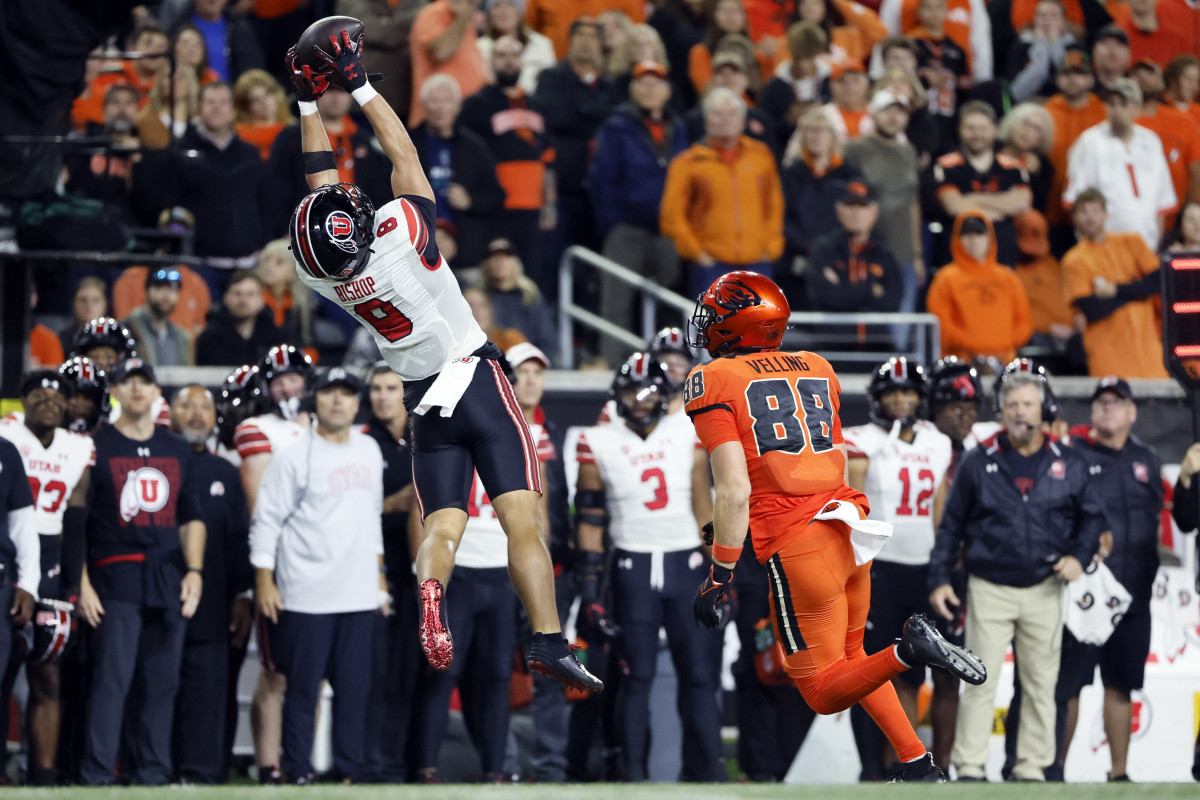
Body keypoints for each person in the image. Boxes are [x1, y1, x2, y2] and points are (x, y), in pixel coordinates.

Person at [283, 28, 599, 692]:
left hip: (423, 401)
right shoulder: (402, 237)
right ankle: (546, 639)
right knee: (522, 517)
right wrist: (358, 82)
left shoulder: (322, 276)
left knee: (445, 523)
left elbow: (318, 191)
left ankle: (433, 588)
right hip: (476, 378)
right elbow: (402, 153)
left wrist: (308, 102)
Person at [683, 270, 986, 784]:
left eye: (715, 315)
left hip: (798, 542)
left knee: (821, 690)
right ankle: (918, 763)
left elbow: (733, 489)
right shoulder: (818, 366)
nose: (707, 324)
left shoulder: (712, 380)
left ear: (739, 324)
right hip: (849, 529)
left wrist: (720, 574)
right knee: (854, 660)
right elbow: (834, 459)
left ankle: (910, 650)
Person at [927, 368, 1105, 782]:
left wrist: (1079, 557)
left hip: (1047, 586)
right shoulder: (977, 461)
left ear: (1044, 410)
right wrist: (938, 579)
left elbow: (1092, 519)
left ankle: (1032, 768)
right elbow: (950, 526)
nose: (1020, 412)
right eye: (1012, 405)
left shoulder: (1070, 462)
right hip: (989, 587)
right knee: (977, 681)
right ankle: (969, 767)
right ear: (1001, 412)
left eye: (1028, 404)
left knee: (1042, 685)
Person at [575, 354, 725, 782]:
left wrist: (719, 570)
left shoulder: (687, 430)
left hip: (686, 561)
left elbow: (703, 505)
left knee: (698, 675)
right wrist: (589, 589)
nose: (639, 401)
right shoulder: (598, 439)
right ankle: (633, 774)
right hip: (632, 565)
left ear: (664, 394)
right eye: (630, 391)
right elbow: (590, 519)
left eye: (648, 391)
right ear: (616, 396)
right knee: (636, 676)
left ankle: (711, 772)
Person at [74, 358, 206, 785]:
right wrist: (82, 583)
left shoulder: (176, 448)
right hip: (115, 574)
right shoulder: (96, 445)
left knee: (162, 683)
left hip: (168, 576)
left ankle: (151, 774)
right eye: (127, 381)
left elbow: (191, 515)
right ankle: (96, 775)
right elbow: (75, 519)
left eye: (144, 381)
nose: (136, 388)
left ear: (155, 393)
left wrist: (195, 571)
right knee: (112, 681)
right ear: (115, 390)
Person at [250, 367, 385, 784]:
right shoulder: (291, 456)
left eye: (347, 394)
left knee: (354, 694)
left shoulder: (369, 451)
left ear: (357, 403)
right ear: (315, 400)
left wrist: (379, 577)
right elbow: (265, 521)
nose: (338, 401)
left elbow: (372, 516)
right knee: (303, 692)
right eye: (330, 394)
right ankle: (297, 771)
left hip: (360, 595)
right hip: (306, 595)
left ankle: (348, 772)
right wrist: (264, 580)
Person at [845, 359, 953, 779]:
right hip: (878, 570)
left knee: (921, 676)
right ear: (876, 399)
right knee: (876, 672)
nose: (901, 401)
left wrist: (944, 565)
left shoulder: (936, 440)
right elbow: (852, 507)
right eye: (892, 393)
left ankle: (917, 765)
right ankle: (876, 766)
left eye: (908, 392)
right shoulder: (861, 441)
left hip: (924, 570)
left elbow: (939, 512)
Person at [1051, 376, 1162, 782]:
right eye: (1101, 402)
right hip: (1086, 595)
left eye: (1118, 402)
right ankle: (1055, 770)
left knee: (1122, 685)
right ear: (1092, 412)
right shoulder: (1073, 453)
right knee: (1070, 687)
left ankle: (1119, 773)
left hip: (1134, 596)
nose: (1108, 407)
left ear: (1133, 412)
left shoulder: (1147, 459)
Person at [0, 372, 91, 786]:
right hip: (10, 552)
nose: (49, 400)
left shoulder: (79, 446)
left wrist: (74, 581)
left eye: (58, 395)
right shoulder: (5, 435)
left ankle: (43, 773)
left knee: (48, 672)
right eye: (39, 393)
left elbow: (76, 517)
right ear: (22, 399)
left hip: (50, 556)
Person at [233, 345, 312, 784]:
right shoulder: (256, 428)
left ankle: (304, 763)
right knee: (275, 671)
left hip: (328, 563)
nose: (288, 387)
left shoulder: (327, 424)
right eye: (279, 380)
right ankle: (269, 767)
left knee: (313, 674)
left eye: (294, 377)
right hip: (284, 562)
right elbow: (260, 505)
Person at [168, 384, 251, 784]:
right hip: (156, 603)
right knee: (158, 691)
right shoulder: (155, 461)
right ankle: (153, 770)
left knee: (208, 696)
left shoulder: (226, 472)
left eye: (205, 406)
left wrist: (242, 595)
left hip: (215, 606)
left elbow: (239, 539)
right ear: (169, 413)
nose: (197, 413)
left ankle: (202, 776)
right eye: (188, 405)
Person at [588, 59, 689, 366]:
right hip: (627, 228)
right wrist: (613, 222)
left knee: (668, 299)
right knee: (617, 301)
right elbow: (600, 178)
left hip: (669, 230)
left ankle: (667, 365)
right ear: (632, 89)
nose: (649, 89)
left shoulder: (679, 127)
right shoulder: (616, 126)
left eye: (655, 83)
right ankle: (618, 367)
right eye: (642, 83)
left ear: (667, 90)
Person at [660, 87, 784, 297]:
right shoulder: (687, 162)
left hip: (758, 262)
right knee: (714, 329)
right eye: (717, 114)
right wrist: (697, 253)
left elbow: (774, 205)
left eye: (731, 113)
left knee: (759, 328)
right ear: (706, 120)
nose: (725, 120)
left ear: (743, 120)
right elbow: (671, 215)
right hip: (711, 265)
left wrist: (772, 247)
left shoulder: (761, 155)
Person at [359, 364, 418, 782]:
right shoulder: (360, 442)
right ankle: (374, 762)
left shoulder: (428, 435)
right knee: (376, 672)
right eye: (376, 388)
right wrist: (388, 505)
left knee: (410, 671)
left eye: (390, 388)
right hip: (373, 570)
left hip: (418, 570)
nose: (382, 396)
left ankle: (406, 763)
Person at [459, 35, 556, 272]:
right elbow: (468, 158)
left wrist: (550, 205)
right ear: (491, 61)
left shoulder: (537, 105)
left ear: (523, 61)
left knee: (531, 276)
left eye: (514, 55)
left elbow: (548, 159)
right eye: (502, 55)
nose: (509, 61)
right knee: (494, 275)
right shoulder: (476, 105)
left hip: (533, 211)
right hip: (496, 209)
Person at [1061, 187, 1169, 378]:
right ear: (1074, 218)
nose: (1090, 217)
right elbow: (1092, 308)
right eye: (1083, 212)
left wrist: (1115, 289)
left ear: (1105, 214)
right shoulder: (1074, 260)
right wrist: (1137, 289)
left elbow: (1159, 281)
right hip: (1109, 357)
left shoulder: (1131, 241)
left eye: (1095, 210)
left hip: (1150, 355)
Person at [1063, 77, 1176, 251]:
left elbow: (1162, 203)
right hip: (1105, 249)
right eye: (1111, 104)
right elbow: (1077, 202)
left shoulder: (1151, 142)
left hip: (1145, 248)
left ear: (1137, 109)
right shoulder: (1089, 142)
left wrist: (1154, 248)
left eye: (1124, 104)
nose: (1116, 110)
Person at [411, 74, 507, 267]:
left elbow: (497, 196)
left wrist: (470, 201)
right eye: (434, 101)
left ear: (458, 106)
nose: (440, 107)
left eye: (446, 101)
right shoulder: (407, 145)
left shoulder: (475, 147)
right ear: (424, 105)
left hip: (467, 254)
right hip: (415, 251)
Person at [843, 90, 924, 322]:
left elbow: (912, 201)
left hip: (903, 252)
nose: (893, 117)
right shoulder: (855, 148)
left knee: (901, 324)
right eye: (887, 110)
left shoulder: (908, 151)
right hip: (866, 252)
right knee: (868, 324)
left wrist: (917, 253)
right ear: (873, 113)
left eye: (900, 111)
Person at [925, 212, 1034, 364]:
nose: (974, 240)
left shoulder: (1008, 277)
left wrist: (1002, 345)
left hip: (1004, 361)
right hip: (960, 363)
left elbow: (1024, 322)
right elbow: (940, 325)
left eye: (979, 234)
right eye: (967, 235)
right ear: (957, 239)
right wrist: (978, 346)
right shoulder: (946, 277)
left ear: (990, 238)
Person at [932, 100, 1032, 266]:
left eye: (983, 128)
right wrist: (1000, 205)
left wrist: (970, 199)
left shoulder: (1013, 166)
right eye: (970, 128)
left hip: (1003, 255)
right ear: (960, 130)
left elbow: (1021, 204)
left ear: (995, 130)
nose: (977, 134)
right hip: (957, 258)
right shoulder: (946, 165)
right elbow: (953, 206)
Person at [780, 108, 861, 281]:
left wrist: (831, 246)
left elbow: (855, 215)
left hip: (839, 254)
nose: (815, 136)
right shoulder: (791, 173)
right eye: (810, 131)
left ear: (832, 136)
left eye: (821, 131)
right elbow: (783, 216)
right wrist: (804, 245)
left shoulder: (848, 172)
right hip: (798, 256)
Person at [805, 180, 903, 323]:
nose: (856, 213)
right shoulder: (823, 250)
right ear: (838, 210)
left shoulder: (884, 254)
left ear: (874, 212)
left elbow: (893, 303)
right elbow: (826, 298)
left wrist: (844, 290)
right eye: (850, 206)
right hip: (831, 341)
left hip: (877, 342)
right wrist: (870, 289)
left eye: (862, 206)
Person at [1042, 48, 1106, 251]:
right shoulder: (1044, 113)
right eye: (1067, 74)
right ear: (1058, 79)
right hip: (1053, 210)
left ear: (1090, 79)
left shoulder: (1105, 112)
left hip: (1095, 214)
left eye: (1079, 74)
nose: (1073, 80)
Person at [408, 0, 489, 127]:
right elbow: (440, 52)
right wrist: (461, 19)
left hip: (464, 117)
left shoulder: (465, 16)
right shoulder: (434, 13)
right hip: (437, 119)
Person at [478, 238, 559, 361]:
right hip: (487, 365)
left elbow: (548, 342)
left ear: (516, 262)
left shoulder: (530, 297)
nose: (500, 261)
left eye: (506, 255)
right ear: (486, 263)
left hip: (525, 365)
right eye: (494, 256)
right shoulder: (478, 298)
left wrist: (532, 365)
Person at [194, 270, 287, 367]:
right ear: (225, 298)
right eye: (237, 294)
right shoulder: (209, 339)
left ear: (261, 300)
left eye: (250, 294)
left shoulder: (275, 338)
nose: (243, 300)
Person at [476, 0, 558, 93]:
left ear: (520, 12)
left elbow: (551, 83)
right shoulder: (479, 47)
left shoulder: (541, 45)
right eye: (497, 6)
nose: (503, 11)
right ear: (490, 14)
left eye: (510, 5)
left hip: (534, 103)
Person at [1006, 0, 1078, 103]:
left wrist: (1055, 46)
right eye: (1042, 15)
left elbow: (1073, 81)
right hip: (1029, 104)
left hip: (1066, 103)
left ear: (1064, 21)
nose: (1047, 20)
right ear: (1034, 20)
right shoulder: (1021, 46)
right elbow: (1015, 92)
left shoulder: (1074, 47)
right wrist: (1041, 45)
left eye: (1054, 15)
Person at [123, 267, 194, 368]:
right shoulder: (129, 328)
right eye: (159, 288)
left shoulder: (182, 338)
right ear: (147, 291)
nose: (166, 295)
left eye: (172, 290)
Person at [233, 68, 293, 161]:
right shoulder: (240, 136)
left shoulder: (294, 130)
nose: (264, 102)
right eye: (256, 100)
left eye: (267, 94)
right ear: (246, 107)